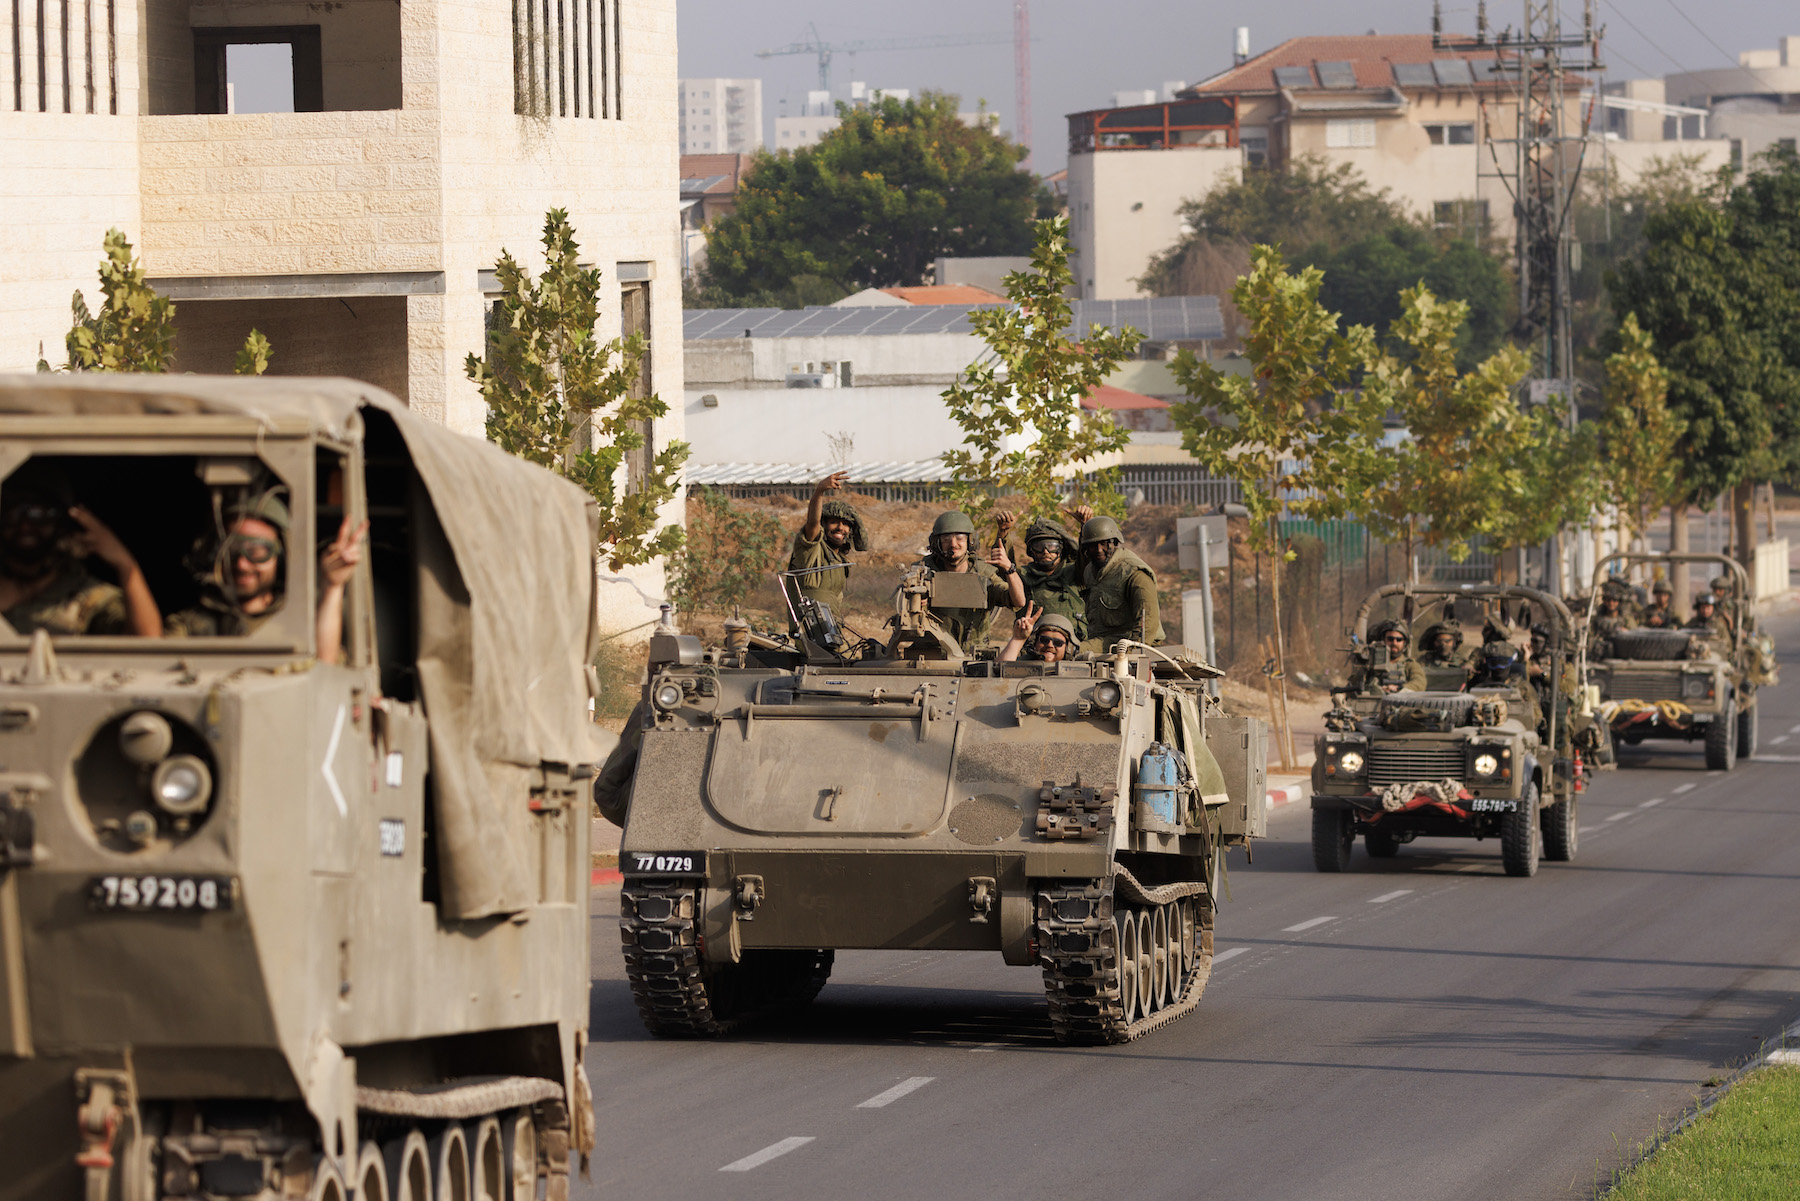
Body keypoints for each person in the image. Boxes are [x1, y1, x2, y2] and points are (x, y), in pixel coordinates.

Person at [165, 489, 367, 665]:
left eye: (258, 551)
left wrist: (332, 586)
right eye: (231, 550)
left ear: (280, 557)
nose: (242, 564)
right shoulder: (190, 626)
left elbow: (325, 669)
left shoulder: (299, 624)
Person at [0, 462, 160, 637]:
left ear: (63, 523)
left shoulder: (88, 596)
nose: (25, 525)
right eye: (13, 513)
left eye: (39, 513)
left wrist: (126, 565)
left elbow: (148, 640)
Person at [912, 510, 1026, 652]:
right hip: (930, 654)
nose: (953, 544)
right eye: (946, 539)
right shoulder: (923, 572)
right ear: (936, 542)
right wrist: (916, 601)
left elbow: (1019, 601)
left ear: (970, 541)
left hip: (973, 656)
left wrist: (1009, 569)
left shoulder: (984, 574)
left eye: (959, 538)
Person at [997, 509, 1088, 642]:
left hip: (1074, 651)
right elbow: (1004, 570)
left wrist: (1085, 525)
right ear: (1031, 551)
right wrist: (1003, 533)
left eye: (1051, 546)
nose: (1045, 551)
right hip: (1033, 652)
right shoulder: (1023, 576)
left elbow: (1089, 557)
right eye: (1039, 546)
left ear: (1061, 549)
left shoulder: (1076, 574)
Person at [1079, 515, 1164, 653]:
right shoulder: (1090, 571)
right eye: (1093, 546)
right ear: (1086, 548)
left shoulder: (1134, 573)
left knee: (1073, 651)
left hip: (1129, 643)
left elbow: (1148, 621)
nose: (1099, 549)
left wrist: (1132, 655)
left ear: (1115, 543)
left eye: (1105, 543)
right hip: (1102, 641)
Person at [788, 470, 866, 609]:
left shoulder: (839, 559)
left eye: (846, 524)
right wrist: (819, 491)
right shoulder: (812, 550)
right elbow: (812, 523)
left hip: (831, 626)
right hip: (808, 628)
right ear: (823, 525)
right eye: (834, 522)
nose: (840, 528)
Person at [1346, 620, 1426, 694]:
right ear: (1383, 640)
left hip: (1401, 706)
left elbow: (1419, 682)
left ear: (1404, 643)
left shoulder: (1409, 664)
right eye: (1390, 639)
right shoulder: (1371, 662)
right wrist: (1364, 669)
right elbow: (1352, 685)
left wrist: (1399, 688)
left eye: (1398, 639)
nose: (1394, 643)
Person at [998, 604, 1078, 664]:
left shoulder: (1076, 670)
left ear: (1068, 648)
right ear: (1035, 642)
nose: (1050, 645)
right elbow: (1000, 670)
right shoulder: (1023, 664)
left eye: (1058, 643)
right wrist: (1018, 639)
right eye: (1044, 640)